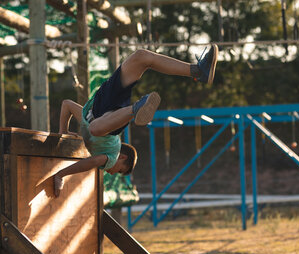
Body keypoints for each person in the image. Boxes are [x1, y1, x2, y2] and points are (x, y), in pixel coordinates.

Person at [54, 45, 218, 197]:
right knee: (141, 56)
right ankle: (195, 72)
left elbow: (66, 105)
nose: (112, 173)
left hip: (104, 103)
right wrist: (61, 174)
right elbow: (90, 162)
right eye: (119, 171)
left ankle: (198, 72)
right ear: (122, 157)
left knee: (94, 127)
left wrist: (63, 132)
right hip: (110, 111)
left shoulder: (86, 123)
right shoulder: (111, 156)